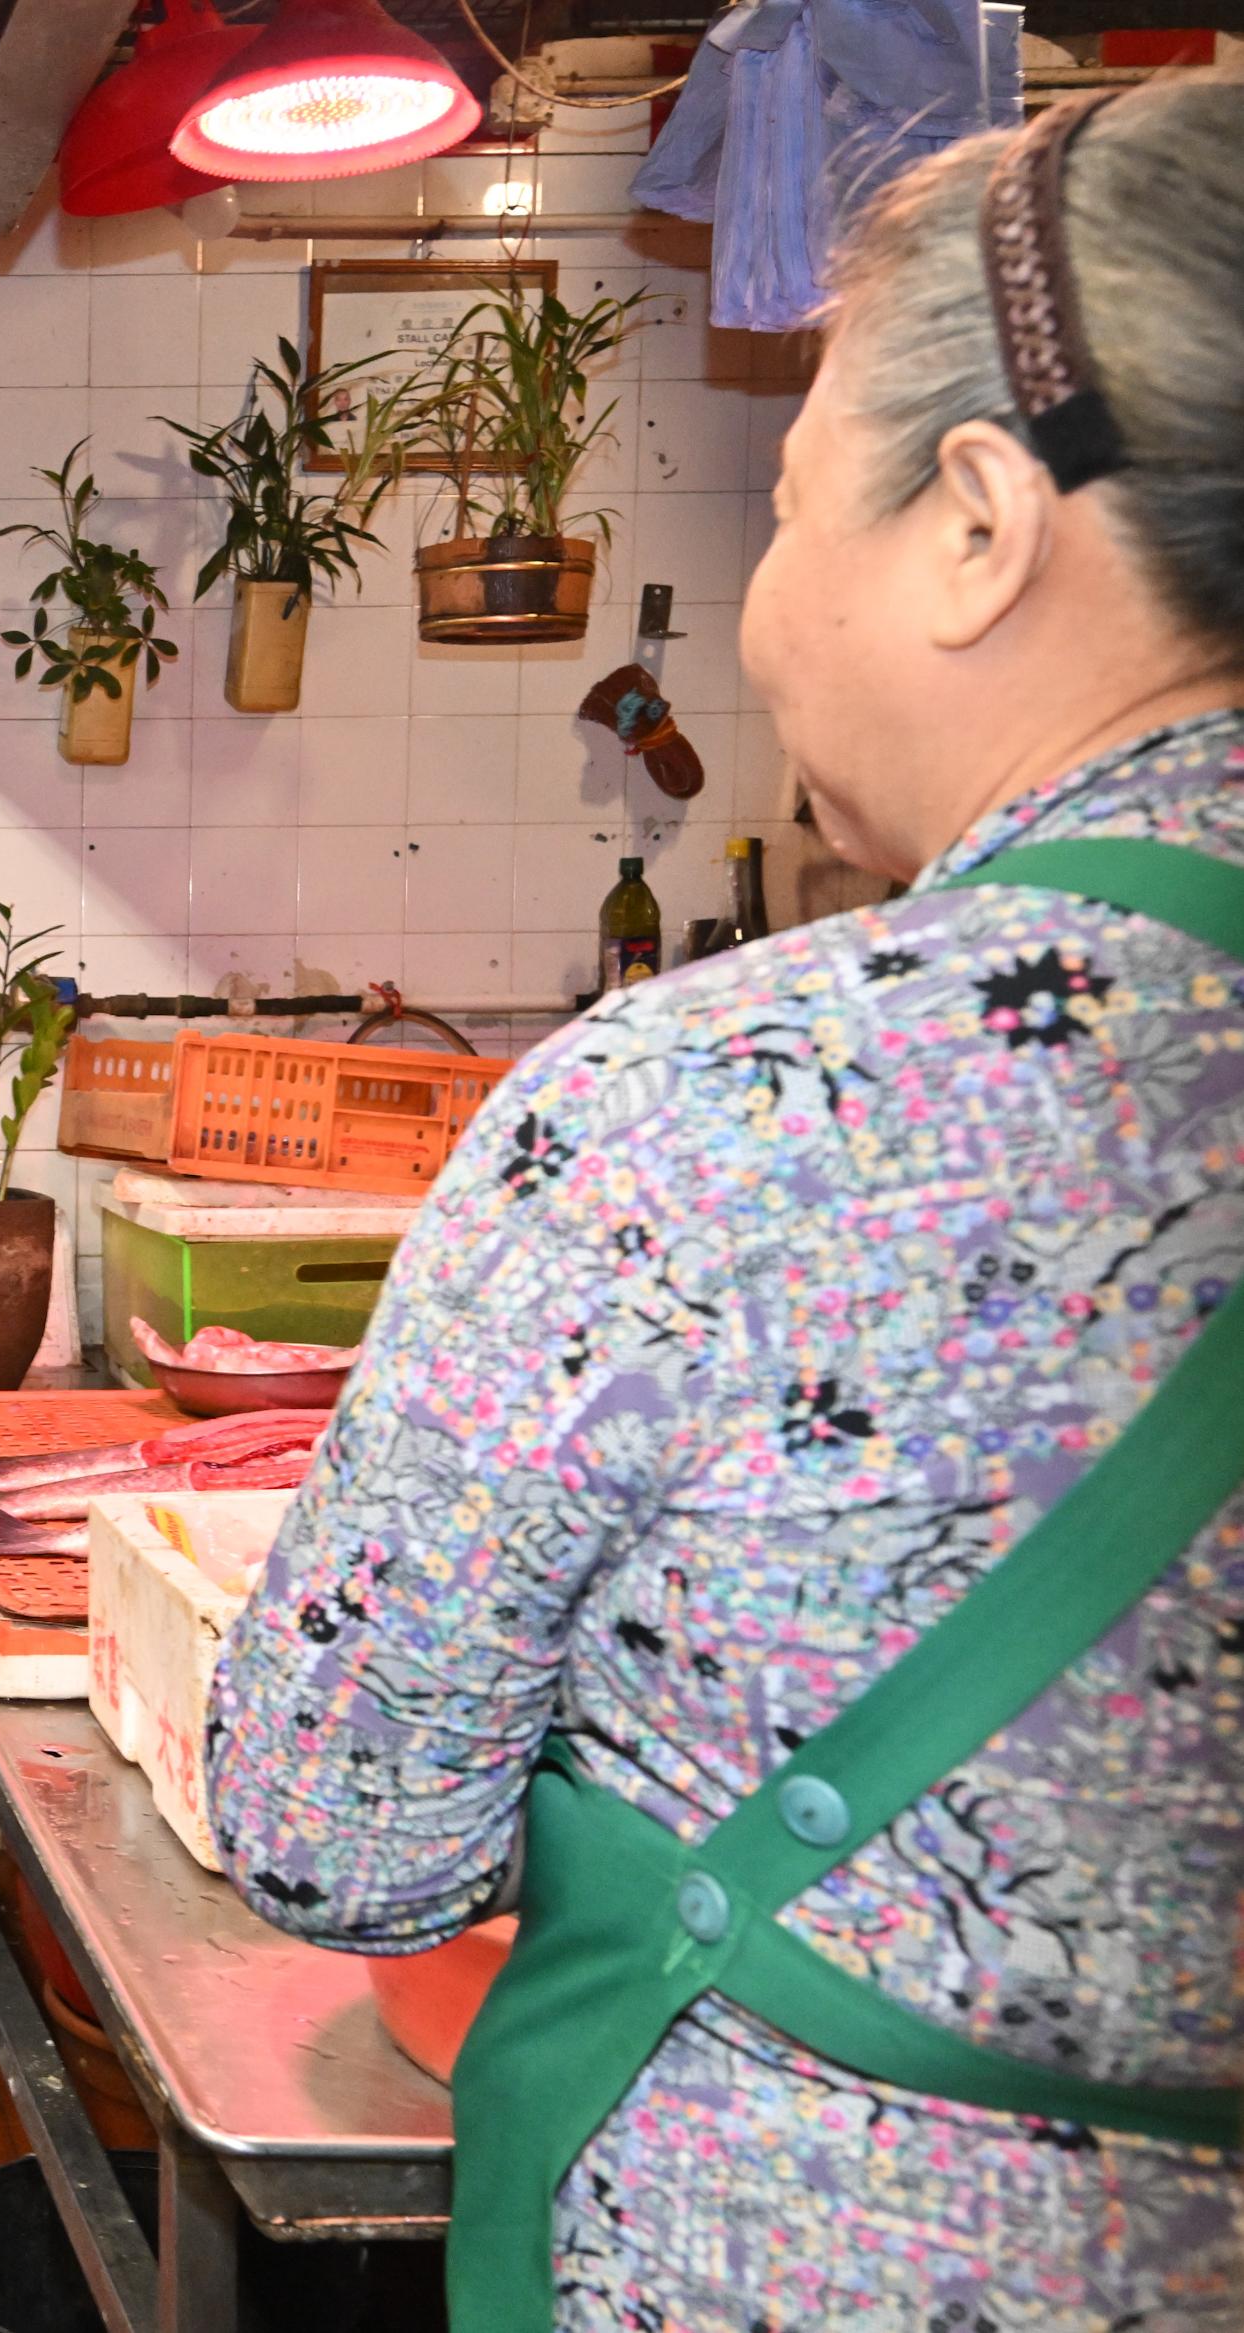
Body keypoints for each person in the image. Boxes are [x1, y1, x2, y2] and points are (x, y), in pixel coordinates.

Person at [205, 80, 1244, 2330]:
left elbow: (335, 1829)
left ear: (978, 523)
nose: (770, 597)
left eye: (783, 505)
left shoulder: (720, 1107)